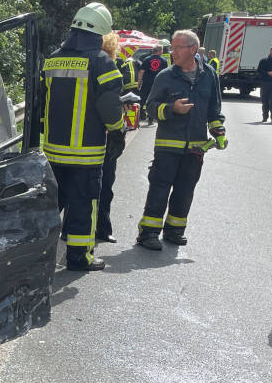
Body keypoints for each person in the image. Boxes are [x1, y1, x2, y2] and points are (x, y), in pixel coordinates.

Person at [42, 2, 124, 271]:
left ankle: (38, 255)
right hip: (86, 154)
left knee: (50, 206)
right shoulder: (102, 62)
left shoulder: (52, 59)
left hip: (53, 151)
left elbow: (42, 102)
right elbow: (110, 108)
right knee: (83, 205)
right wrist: (118, 130)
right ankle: (79, 257)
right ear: (101, 31)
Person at [135, 29, 226, 250]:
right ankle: (148, 234)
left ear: (193, 50)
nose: (172, 52)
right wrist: (172, 108)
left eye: (177, 48)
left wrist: (218, 130)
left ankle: (174, 230)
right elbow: (151, 107)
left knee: (185, 190)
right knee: (159, 188)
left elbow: (214, 108)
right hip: (168, 146)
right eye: (172, 48)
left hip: (195, 147)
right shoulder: (165, 76)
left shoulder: (209, 75)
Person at [96, 31, 135, 243]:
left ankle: (99, 228)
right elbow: (107, 104)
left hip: (89, 136)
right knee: (104, 185)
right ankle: (102, 229)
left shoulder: (103, 64)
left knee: (94, 187)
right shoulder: (105, 65)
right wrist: (118, 132)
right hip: (104, 134)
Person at [137, 44, 168, 125]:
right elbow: (165, 74)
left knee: (143, 99)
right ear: (160, 51)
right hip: (157, 83)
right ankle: (151, 118)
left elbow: (141, 72)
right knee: (154, 100)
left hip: (147, 82)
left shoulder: (146, 59)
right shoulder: (164, 61)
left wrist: (139, 82)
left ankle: (141, 116)